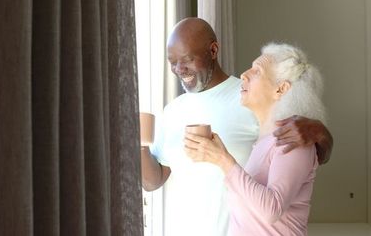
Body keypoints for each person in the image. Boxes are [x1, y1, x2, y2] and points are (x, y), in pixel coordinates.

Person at [140, 18, 333, 236]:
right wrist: (135, 143)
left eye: (186, 59)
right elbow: (153, 180)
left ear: (213, 50)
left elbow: (307, 158)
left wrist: (320, 131)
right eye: (172, 62)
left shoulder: (256, 107)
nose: (179, 68)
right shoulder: (173, 110)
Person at [184, 43, 325, 235]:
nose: (244, 74)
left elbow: (271, 210)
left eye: (257, 71)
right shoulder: (265, 141)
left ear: (281, 89)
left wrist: (222, 159)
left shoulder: (294, 140)